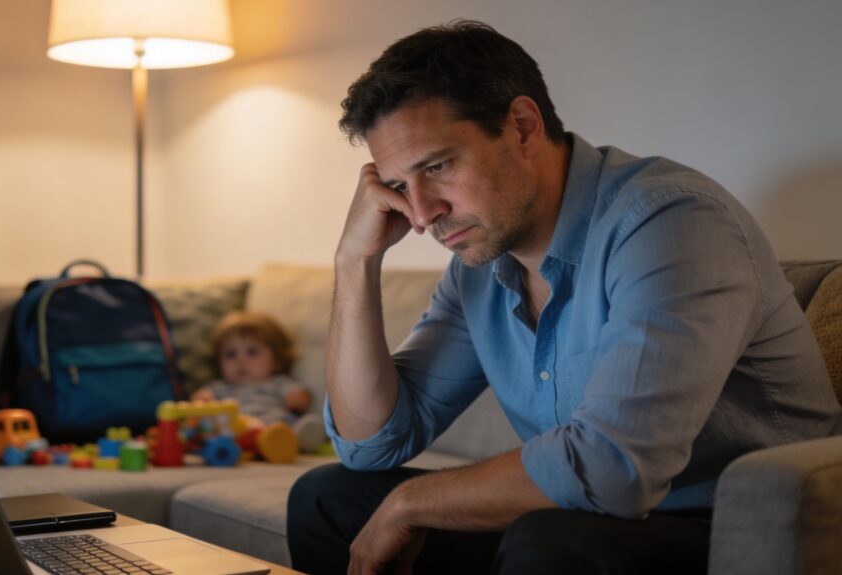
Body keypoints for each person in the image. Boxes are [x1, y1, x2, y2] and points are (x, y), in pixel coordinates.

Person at [286, 20, 841, 575]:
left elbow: (614, 469)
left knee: (551, 542)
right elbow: (369, 446)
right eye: (401, 186)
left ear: (523, 127)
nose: (424, 212)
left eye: (438, 166)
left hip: (728, 528)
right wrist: (355, 262)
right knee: (327, 499)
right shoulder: (478, 267)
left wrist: (410, 503)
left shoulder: (672, 222)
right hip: (582, 518)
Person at [192, 311, 325, 451]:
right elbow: (199, 399)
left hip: (274, 427)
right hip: (237, 430)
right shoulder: (220, 387)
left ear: (277, 361)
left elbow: (300, 397)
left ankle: (300, 438)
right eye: (231, 354)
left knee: (292, 426)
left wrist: (297, 398)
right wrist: (203, 400)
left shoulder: (277, 382)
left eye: (252, 352)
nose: (240, 360)